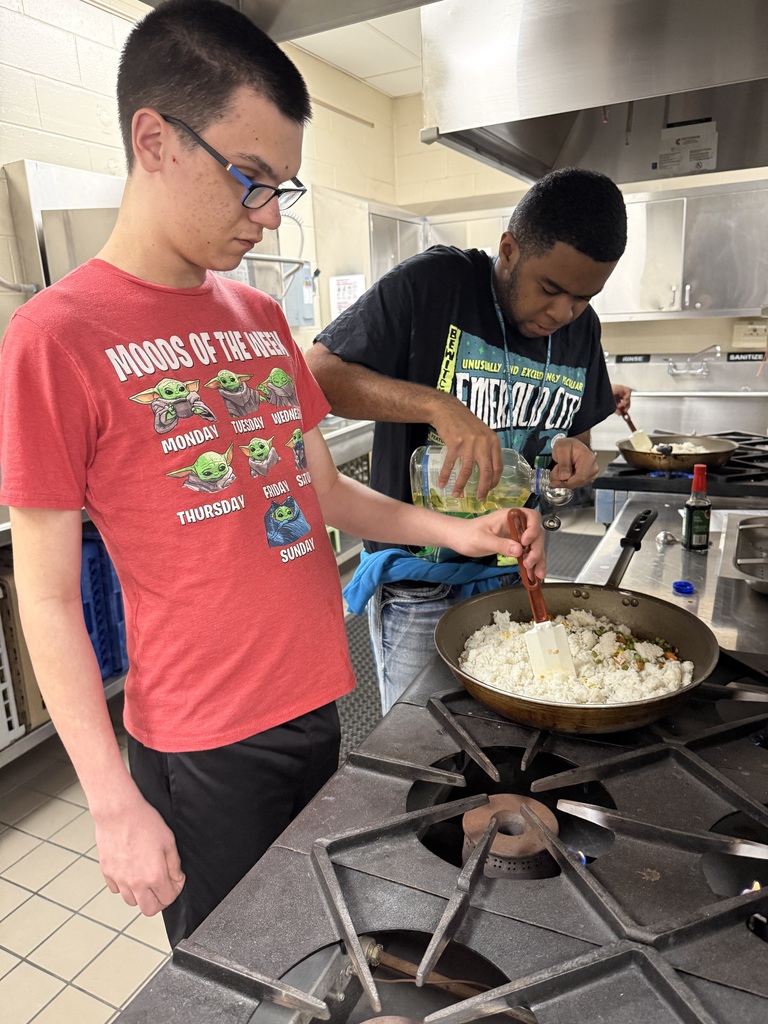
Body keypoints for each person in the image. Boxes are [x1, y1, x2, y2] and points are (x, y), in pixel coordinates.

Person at [0, 0, 546, 947]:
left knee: (317, 943)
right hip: (204, 744)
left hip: (317, 699)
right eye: (249, 180)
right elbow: (46, 603)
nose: (264, 215)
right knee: (234, 972)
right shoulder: (55, 338)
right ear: (156, 139)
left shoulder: (257, 317)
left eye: (280, 190)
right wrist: (111, 802)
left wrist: (461, 531)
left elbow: (320, 495)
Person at [306, 167, 628, 715]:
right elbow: (316, 375)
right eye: (550, 290)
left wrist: (571, 455)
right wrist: (436, 404)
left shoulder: (581, 326)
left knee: (501, 739)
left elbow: (573, 431)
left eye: (583, 297)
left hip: (513, 571)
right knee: (423, 743)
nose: (562, 313)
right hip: (420, 582)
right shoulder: (436, 284)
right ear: (509, 250)